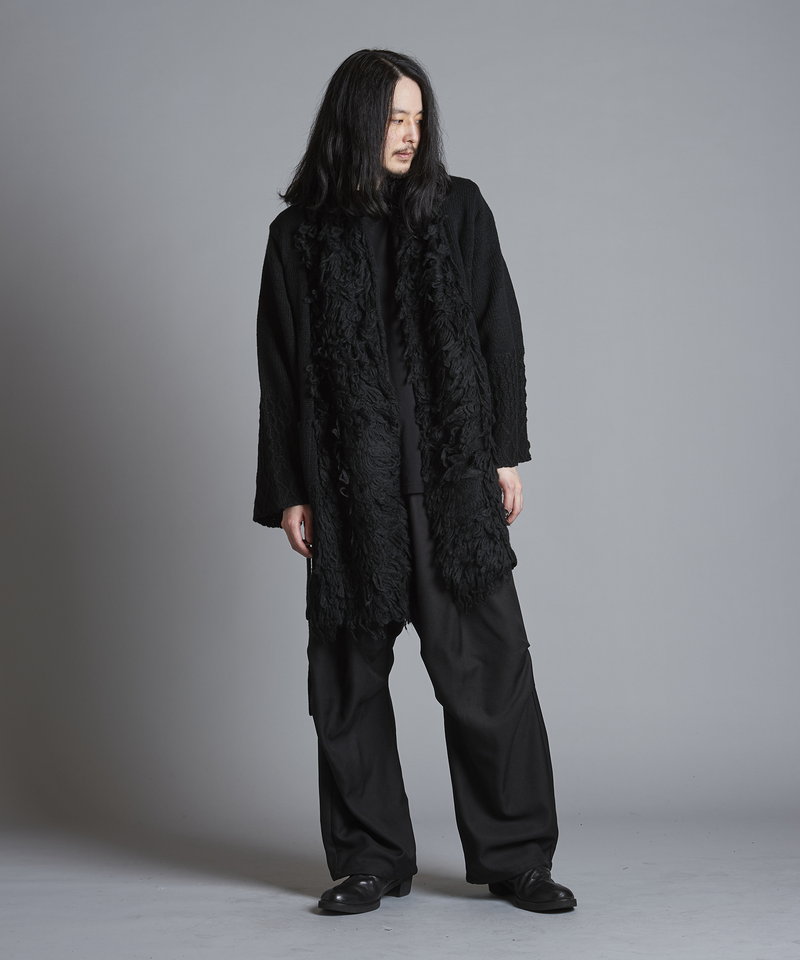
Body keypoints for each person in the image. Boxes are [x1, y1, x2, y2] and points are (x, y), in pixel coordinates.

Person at [253, 48, 576, 916]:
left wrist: (502, 452)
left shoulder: (458, 209)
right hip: (348, 487)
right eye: (394, 118)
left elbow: (498, 332)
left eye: (418, 118)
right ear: (354, 122)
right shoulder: (296, 237)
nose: (409, 134)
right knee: (347, 682)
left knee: (490, 672)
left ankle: (517, 859)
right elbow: (280, 371)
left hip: (451, 479)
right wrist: (291, 490)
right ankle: (369, 861)